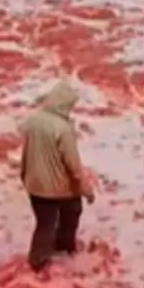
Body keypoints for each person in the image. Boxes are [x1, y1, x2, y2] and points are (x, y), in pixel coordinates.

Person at [19, 80, 95, 272]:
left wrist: (24, 177)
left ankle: (37, 264)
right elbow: (73, 165)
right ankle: (65, 252)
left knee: (44, 224)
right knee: (72, 212)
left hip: (35, 186)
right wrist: (86, 189)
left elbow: (26, 152)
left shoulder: (33, 121)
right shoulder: (63, 128)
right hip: (58, 188)